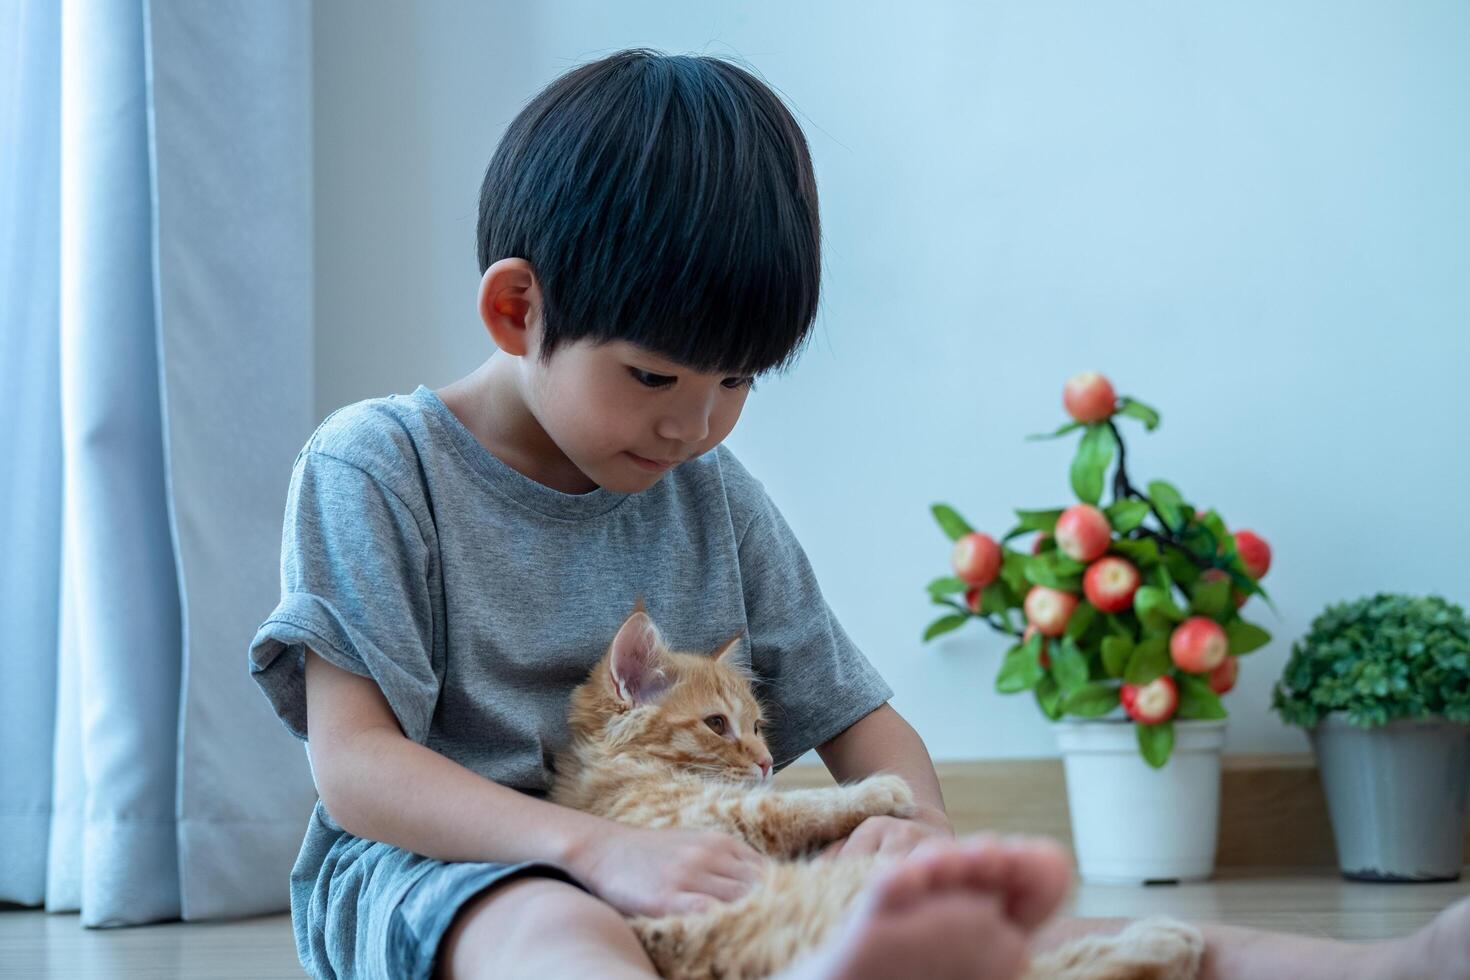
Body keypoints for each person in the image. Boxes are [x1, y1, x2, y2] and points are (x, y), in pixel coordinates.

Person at [248, 48, 1469, 980]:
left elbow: (861, 722)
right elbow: (357, 769)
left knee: (1037, 935)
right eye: (659, 378)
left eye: (738, 383)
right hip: (459, 871)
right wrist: (594, 849)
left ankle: (1384, 967)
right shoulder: (376, 466)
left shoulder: (712, 495)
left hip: (709, 851)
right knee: (559, 930)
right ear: (518, 311)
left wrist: (915, 828)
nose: (695, 425)